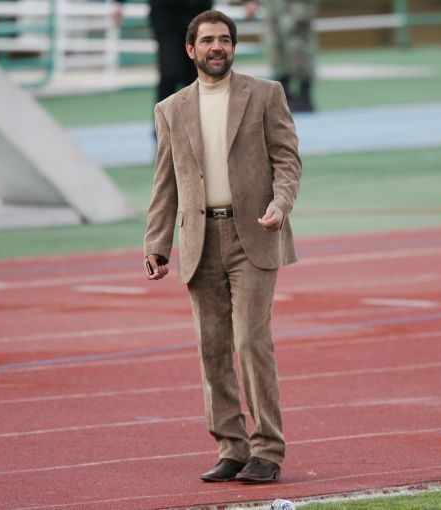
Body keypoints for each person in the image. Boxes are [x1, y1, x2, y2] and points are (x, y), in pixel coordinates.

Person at [143, 9, 301, 484]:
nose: (218, 47)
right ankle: (232, 448)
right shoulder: (170, 109)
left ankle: (267, 449)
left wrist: (281, 204)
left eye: (225, 40)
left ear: (233, 47)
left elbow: (287, 159)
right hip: (199, 240)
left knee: (250, 343)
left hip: (255, 233)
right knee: (212, 349)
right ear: (190, 49)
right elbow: (165, 182)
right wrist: (157, 243)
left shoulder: (266, 94)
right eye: (209, 40)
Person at [113, 0, 213, 103]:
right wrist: (118, 3)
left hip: (197, 12)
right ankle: (163, 112)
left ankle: (195, 111)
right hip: (165, 14)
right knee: (170, 72)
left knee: (195, 74)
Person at [244, 0, 318, 111]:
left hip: (296, 5)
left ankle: (304, 95)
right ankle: (284, 95)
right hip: (273, 6)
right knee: (275, 44)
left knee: (298, 45)